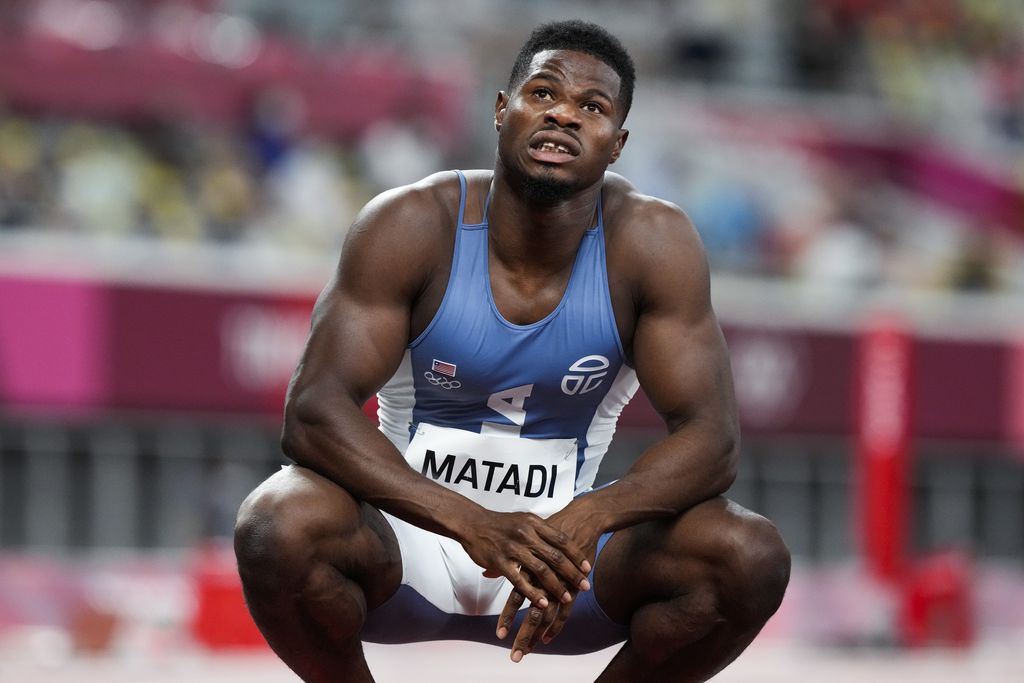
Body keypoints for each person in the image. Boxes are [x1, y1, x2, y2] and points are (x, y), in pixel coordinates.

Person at [233, 20, 790, 683]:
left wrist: (590, 516)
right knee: (276, 522)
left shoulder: (653, 243)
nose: (563, 112)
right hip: (410, 542)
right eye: (543, 91)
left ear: (617, 144)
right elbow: (315, 410)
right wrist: (473, 522)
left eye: (593, 107)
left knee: (747, 553)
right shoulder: (411, 223)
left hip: (565, 557)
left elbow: (712, 440)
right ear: (503, 110)